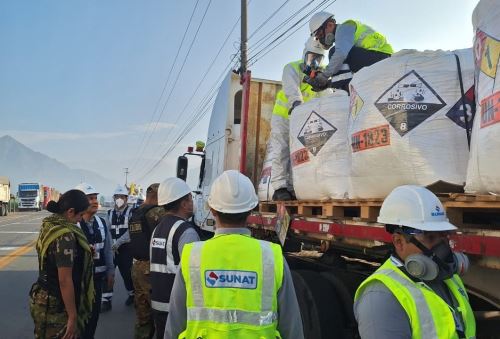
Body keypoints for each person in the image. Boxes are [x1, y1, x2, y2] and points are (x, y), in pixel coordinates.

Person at [165, 170, 304, 339]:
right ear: (252, 209)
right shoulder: (272, 257)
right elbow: (292, 327)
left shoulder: (192, 256)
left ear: (212, 209)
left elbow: (175, 322)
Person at [354, 185, 476, 339]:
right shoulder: (381, 296)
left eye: (443, 237)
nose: (442, 249)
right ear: (399, 242)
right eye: (430, 238)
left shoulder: (449, 278)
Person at [29, 189, 94, 339]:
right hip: (56, 304)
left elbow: (53, 256)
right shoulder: (65, 235)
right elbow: (64, 280)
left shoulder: (49, 224)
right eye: (81, 214)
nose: (81, 219)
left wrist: (81, 252)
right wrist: (72, 316)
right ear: (71, 212)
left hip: (42, 295)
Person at [271, 37, 328, 201]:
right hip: (284, 116)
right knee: (282, 149)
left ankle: (296, 187)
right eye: (312, 58)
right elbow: (291, 89)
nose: (314, 62)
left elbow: (326, 97)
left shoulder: (321, 76)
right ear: (305, 55)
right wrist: (296, 103)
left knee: (301, 153)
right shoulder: (291, 68)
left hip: (303, 119)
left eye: (318, 59)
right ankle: (280, 188)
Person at [149, 177, 200, 339]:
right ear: (183, 204)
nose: (193, 202)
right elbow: (194, 275)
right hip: (176, 308)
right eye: (190, 198)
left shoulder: (157, 229)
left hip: (158, 304)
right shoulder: (186, 232)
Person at [306, 11, 393, 91]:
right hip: (378, 57)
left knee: (334, 53)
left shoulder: (344, 28)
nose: (321, 38)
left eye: (321, 34)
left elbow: (340, 55)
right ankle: (344, 89)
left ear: (330, 25)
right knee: (339, 62)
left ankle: (344, 93)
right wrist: (327, 83)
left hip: (380, 57)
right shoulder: (343, 39)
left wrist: (324, 76)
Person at [75, 183, 115, 339]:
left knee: (93, 319)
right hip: (79, 282)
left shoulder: (102, 222)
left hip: (98, 280)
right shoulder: (74, 225)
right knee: (79, 321)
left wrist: (111, 272)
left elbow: (107, 249)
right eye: (90, 198)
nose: (95, 201)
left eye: (95, 198)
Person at [128, 183, 166, 339]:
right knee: (159, 313)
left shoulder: (136, 213)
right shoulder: (156, 212)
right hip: (150, 268)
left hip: (136, 266)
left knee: (142, 314)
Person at [101, 184, 134, 312]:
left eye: (122, 196)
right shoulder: (109, 213)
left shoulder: (131, 212)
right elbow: (106, 229)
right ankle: (106, 300)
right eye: (117, 196)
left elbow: (131, 231)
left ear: (126, 198)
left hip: (125, 249)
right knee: (108, 274)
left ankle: (132, 295)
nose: (119, 199)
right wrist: (111, 245)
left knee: (127, 274)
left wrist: (118, 243)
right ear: (114, 198)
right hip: (111, 250)